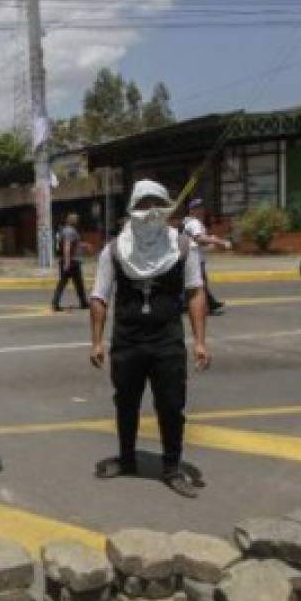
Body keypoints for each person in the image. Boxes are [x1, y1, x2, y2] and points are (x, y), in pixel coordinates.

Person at [89, 179, 211, 498]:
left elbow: (196, 292)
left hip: (167, 340)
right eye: (143, 205)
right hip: (127, 340)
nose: (150, 212)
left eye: (157, 204)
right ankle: (127, 459)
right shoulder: (115, 250)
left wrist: (199, 341)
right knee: (126, 403)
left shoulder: (183, 247)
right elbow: (99, 296)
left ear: (166, 208)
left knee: (171, 405)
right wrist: (96, 341)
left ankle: (172, 467)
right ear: (132, 208)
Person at [181, 198, 230, 316]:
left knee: (196, 284)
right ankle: (206, 306)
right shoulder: (194, 223)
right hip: (193, 259)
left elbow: (198, 241)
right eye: (196, 208)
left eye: (201, 208)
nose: (200, 210)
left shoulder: (190, 222)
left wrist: (210, 242)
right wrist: (218, 241)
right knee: (199, 284)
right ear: (191, 210)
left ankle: (207, 304)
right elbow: (199, 239)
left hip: (192, 258)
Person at [51, 212, 88, 312]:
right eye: (76, 219)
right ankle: (55, 303)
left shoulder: (68, 231)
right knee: (64, 283)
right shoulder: (70, 231)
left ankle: (84, 302)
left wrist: (84, 245)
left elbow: (73, 245)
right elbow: (67, 247)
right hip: (71, 262)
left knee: (77, 283)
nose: (77, 221)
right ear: (72, 221)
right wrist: (67, 263)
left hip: (72, 261)